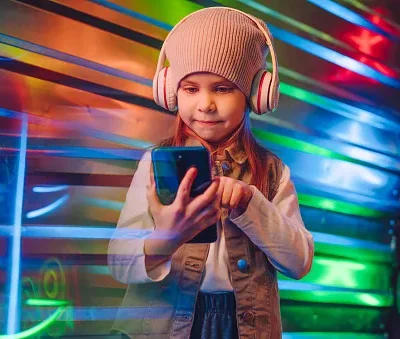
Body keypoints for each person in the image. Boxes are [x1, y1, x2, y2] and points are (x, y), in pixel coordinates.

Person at [108, 6, 314, 339]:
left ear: (255, 94)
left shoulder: (273, 172)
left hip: (242, 328)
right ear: (170, 91)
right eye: (191, 89)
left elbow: (299, 263)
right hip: (163, 325)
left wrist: (252, 205)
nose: (205, 104)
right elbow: (118, 263)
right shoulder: (154, 163)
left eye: (222, 89)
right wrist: (165, 240)